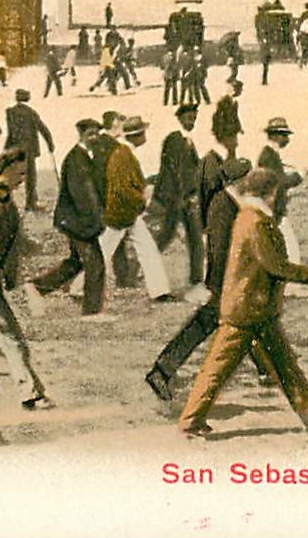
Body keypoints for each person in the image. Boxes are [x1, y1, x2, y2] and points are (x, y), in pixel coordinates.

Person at [178, 168, 308, 437]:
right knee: (217, 368)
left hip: (254, 307)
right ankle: (190, 421)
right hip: (246, 311)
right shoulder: (255, 222)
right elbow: (275, 265)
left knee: (284, 364)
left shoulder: (249, 217)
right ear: (272, 193)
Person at [145, 154, 253, 401]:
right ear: (238, 180)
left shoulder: (229, 203)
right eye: (248, 177)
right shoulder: (222, 207)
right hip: (225, 282)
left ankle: (162, 371)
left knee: (248, 324)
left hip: (229, 282)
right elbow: (219, 250)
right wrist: (219, 284)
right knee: (215, 324)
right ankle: (162, 371)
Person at [0, 151, 50, 410]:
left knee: (7, 338)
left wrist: (33, 246)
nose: (23, 178)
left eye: (25, 173)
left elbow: (13, 238)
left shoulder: (4, 198)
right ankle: (29, 394)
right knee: (12, 338)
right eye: (19, 173)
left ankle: (31, 392)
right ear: (3, 169)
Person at [27, 119, 109, 318]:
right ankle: (92, 313)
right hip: (78, 221)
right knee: (95, 263)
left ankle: (37, 287)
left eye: (97, 133)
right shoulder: (76, 160)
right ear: (81, 135)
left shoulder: (87, 156)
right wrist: (96, 221)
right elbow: (83, 197)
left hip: (75, 220)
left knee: (76, 262)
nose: (95, 137)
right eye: (90, 134)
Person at [99, 116, 174, 302]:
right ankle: (77, 286)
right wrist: (144, 201)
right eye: (143, 133)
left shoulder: (124, 152)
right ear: (137, 136)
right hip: (122, 212)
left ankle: (160, 291)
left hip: (127, 212)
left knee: (147, 249)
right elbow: (123, 188)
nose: (145, 136)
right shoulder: (122, 155)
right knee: (102, 251)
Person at [152, 103, 205, 292]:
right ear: (181, 118)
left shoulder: (186, 140)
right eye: (189, 118)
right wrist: (183, 197)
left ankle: (197, 278)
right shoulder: (175, 140)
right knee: (167, 235)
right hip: (175, 198)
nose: (192, 122)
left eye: (194, 118)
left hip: (184, 198)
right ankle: (145, 265)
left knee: (193, 238)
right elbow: (175, 171)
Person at [257, 117, 305, 263]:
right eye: (284, 135)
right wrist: (298, 176)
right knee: (291, 252)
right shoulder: (269, 157)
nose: (287, 139)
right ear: (276, 136)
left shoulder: (270, 155)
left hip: (274, 212)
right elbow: (279, 182)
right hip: (273, 214)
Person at [2, 89, 55, 210]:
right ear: (27, 98)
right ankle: (30, 203)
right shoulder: (31, 113)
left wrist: (6, 148)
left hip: (14, 148)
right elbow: (43, 129)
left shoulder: (10, 112)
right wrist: (50, 144)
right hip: (29, 149)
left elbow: (11, 132)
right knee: (31, 177)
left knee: (12, 175)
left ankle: (5, 202)